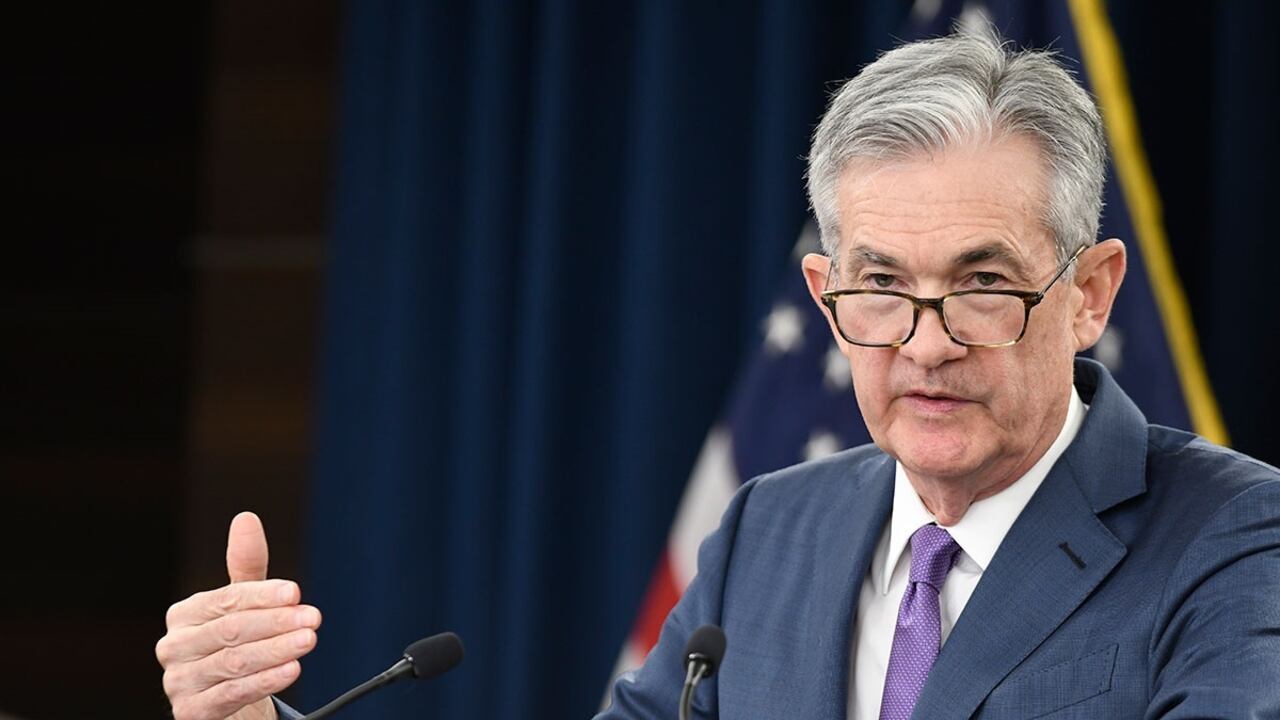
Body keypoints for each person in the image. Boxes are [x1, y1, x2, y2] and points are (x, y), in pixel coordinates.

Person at [156, 26, 1280, 720]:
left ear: (1087, 293)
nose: (923, 343)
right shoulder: (767, 533)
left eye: (982, 285)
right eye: (879, 286)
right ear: (823, 297)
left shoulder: (1235, 540)